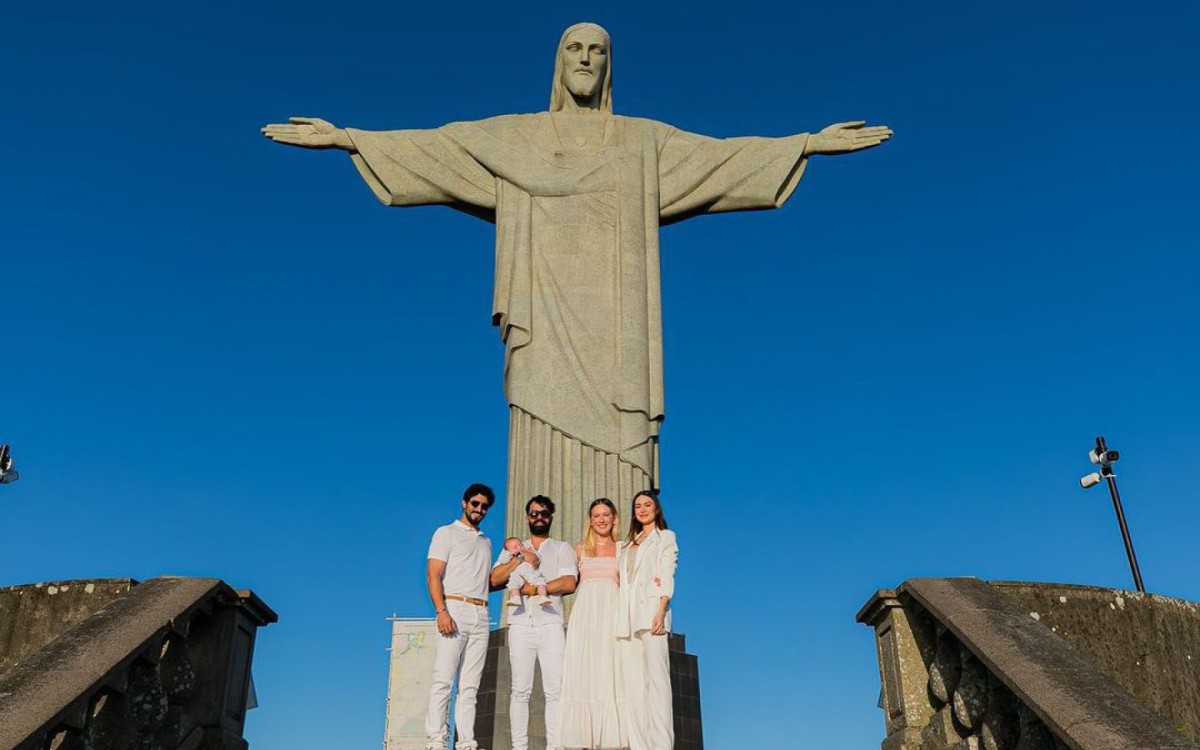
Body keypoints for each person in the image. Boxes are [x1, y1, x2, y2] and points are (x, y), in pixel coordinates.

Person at [261, 23, 892, 549]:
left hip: (619, 330)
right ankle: (540, 571)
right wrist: (349, 138)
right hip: (545, 317)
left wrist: (804, 145)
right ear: (558, 62)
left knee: (626, 444)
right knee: (537, 420)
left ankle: (620, 575)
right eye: (574, 49)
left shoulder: (644, 142)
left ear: (610, 66)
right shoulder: (517, 137)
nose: (586, 59)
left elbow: (721, 158)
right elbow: (441, 149)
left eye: (598, 51)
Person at [489, 496, 578, 750]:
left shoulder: (562, 548)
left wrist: (533, 589)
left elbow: (568, 582)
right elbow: (495, 578)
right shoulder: (513, 548)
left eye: (545, 513)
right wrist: (518, 559)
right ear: (527, 516)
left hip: (550, 624)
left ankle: (555, 745)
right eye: (534, 513)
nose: (539, 517)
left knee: (555, 690)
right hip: (519, 624)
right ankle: (519, 747)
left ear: (551, 516)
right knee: (519, 690)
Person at [425, 483, 496, 750]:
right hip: (454, 607)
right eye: (475, 504)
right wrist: (441, 610)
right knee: (443, 679)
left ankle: (466, 742)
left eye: (485, 506)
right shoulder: (446, 533)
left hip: (482, 612)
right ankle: (436, 741)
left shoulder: (486, 541)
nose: (479, 509)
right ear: (464, 503)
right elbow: (433, 574)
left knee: (470, 686)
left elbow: (487, 580)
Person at [559, 498, 628, 750]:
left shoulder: (624, 548)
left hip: (612, 612)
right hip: (586, 615)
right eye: (596, 515)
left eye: (606, 515)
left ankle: (611, 737)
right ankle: (583, 738)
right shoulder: (579, 549)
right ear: (590, 520)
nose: (601, 519)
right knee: (584, 669)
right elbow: (567, 582)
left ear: (614, 518)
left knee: (610, 670)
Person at [617, 490, 678, 750]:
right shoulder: (627, 545)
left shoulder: (665, 537)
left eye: (647, 505)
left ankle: (662, 745)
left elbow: (667, 570)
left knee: (658, 684)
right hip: (627, 619)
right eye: (637, 506)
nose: (642, 509)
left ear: (656, 509)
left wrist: (661, 609)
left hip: (652, 614)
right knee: (634, 688)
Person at [500, 536, 550, 609]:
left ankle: (543, 597)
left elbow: (537, 558)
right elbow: (503, 561)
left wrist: (530, 552)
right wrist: (509, 554)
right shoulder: (509, 556)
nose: (519, 547)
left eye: (520, 545)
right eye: (515, 547)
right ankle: (516, 598)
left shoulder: (528, 550)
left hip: (531, 571)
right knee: (513, 583)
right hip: (518, 574)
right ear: (508, 550)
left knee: (540, 581)